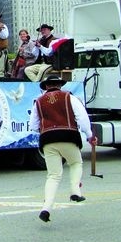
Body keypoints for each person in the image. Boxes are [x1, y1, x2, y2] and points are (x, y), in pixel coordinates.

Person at [30, 75, 97, 223]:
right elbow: (82, 118)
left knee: (53, 176)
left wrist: (47, 127)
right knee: (75, 163)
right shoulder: (69, 97)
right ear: (60, 85)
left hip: (48, 140)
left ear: (46, 86)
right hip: (68, 136)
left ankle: (46, 208)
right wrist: (90, 135)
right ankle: (75, 191)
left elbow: (33, 126)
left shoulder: (38, 102)